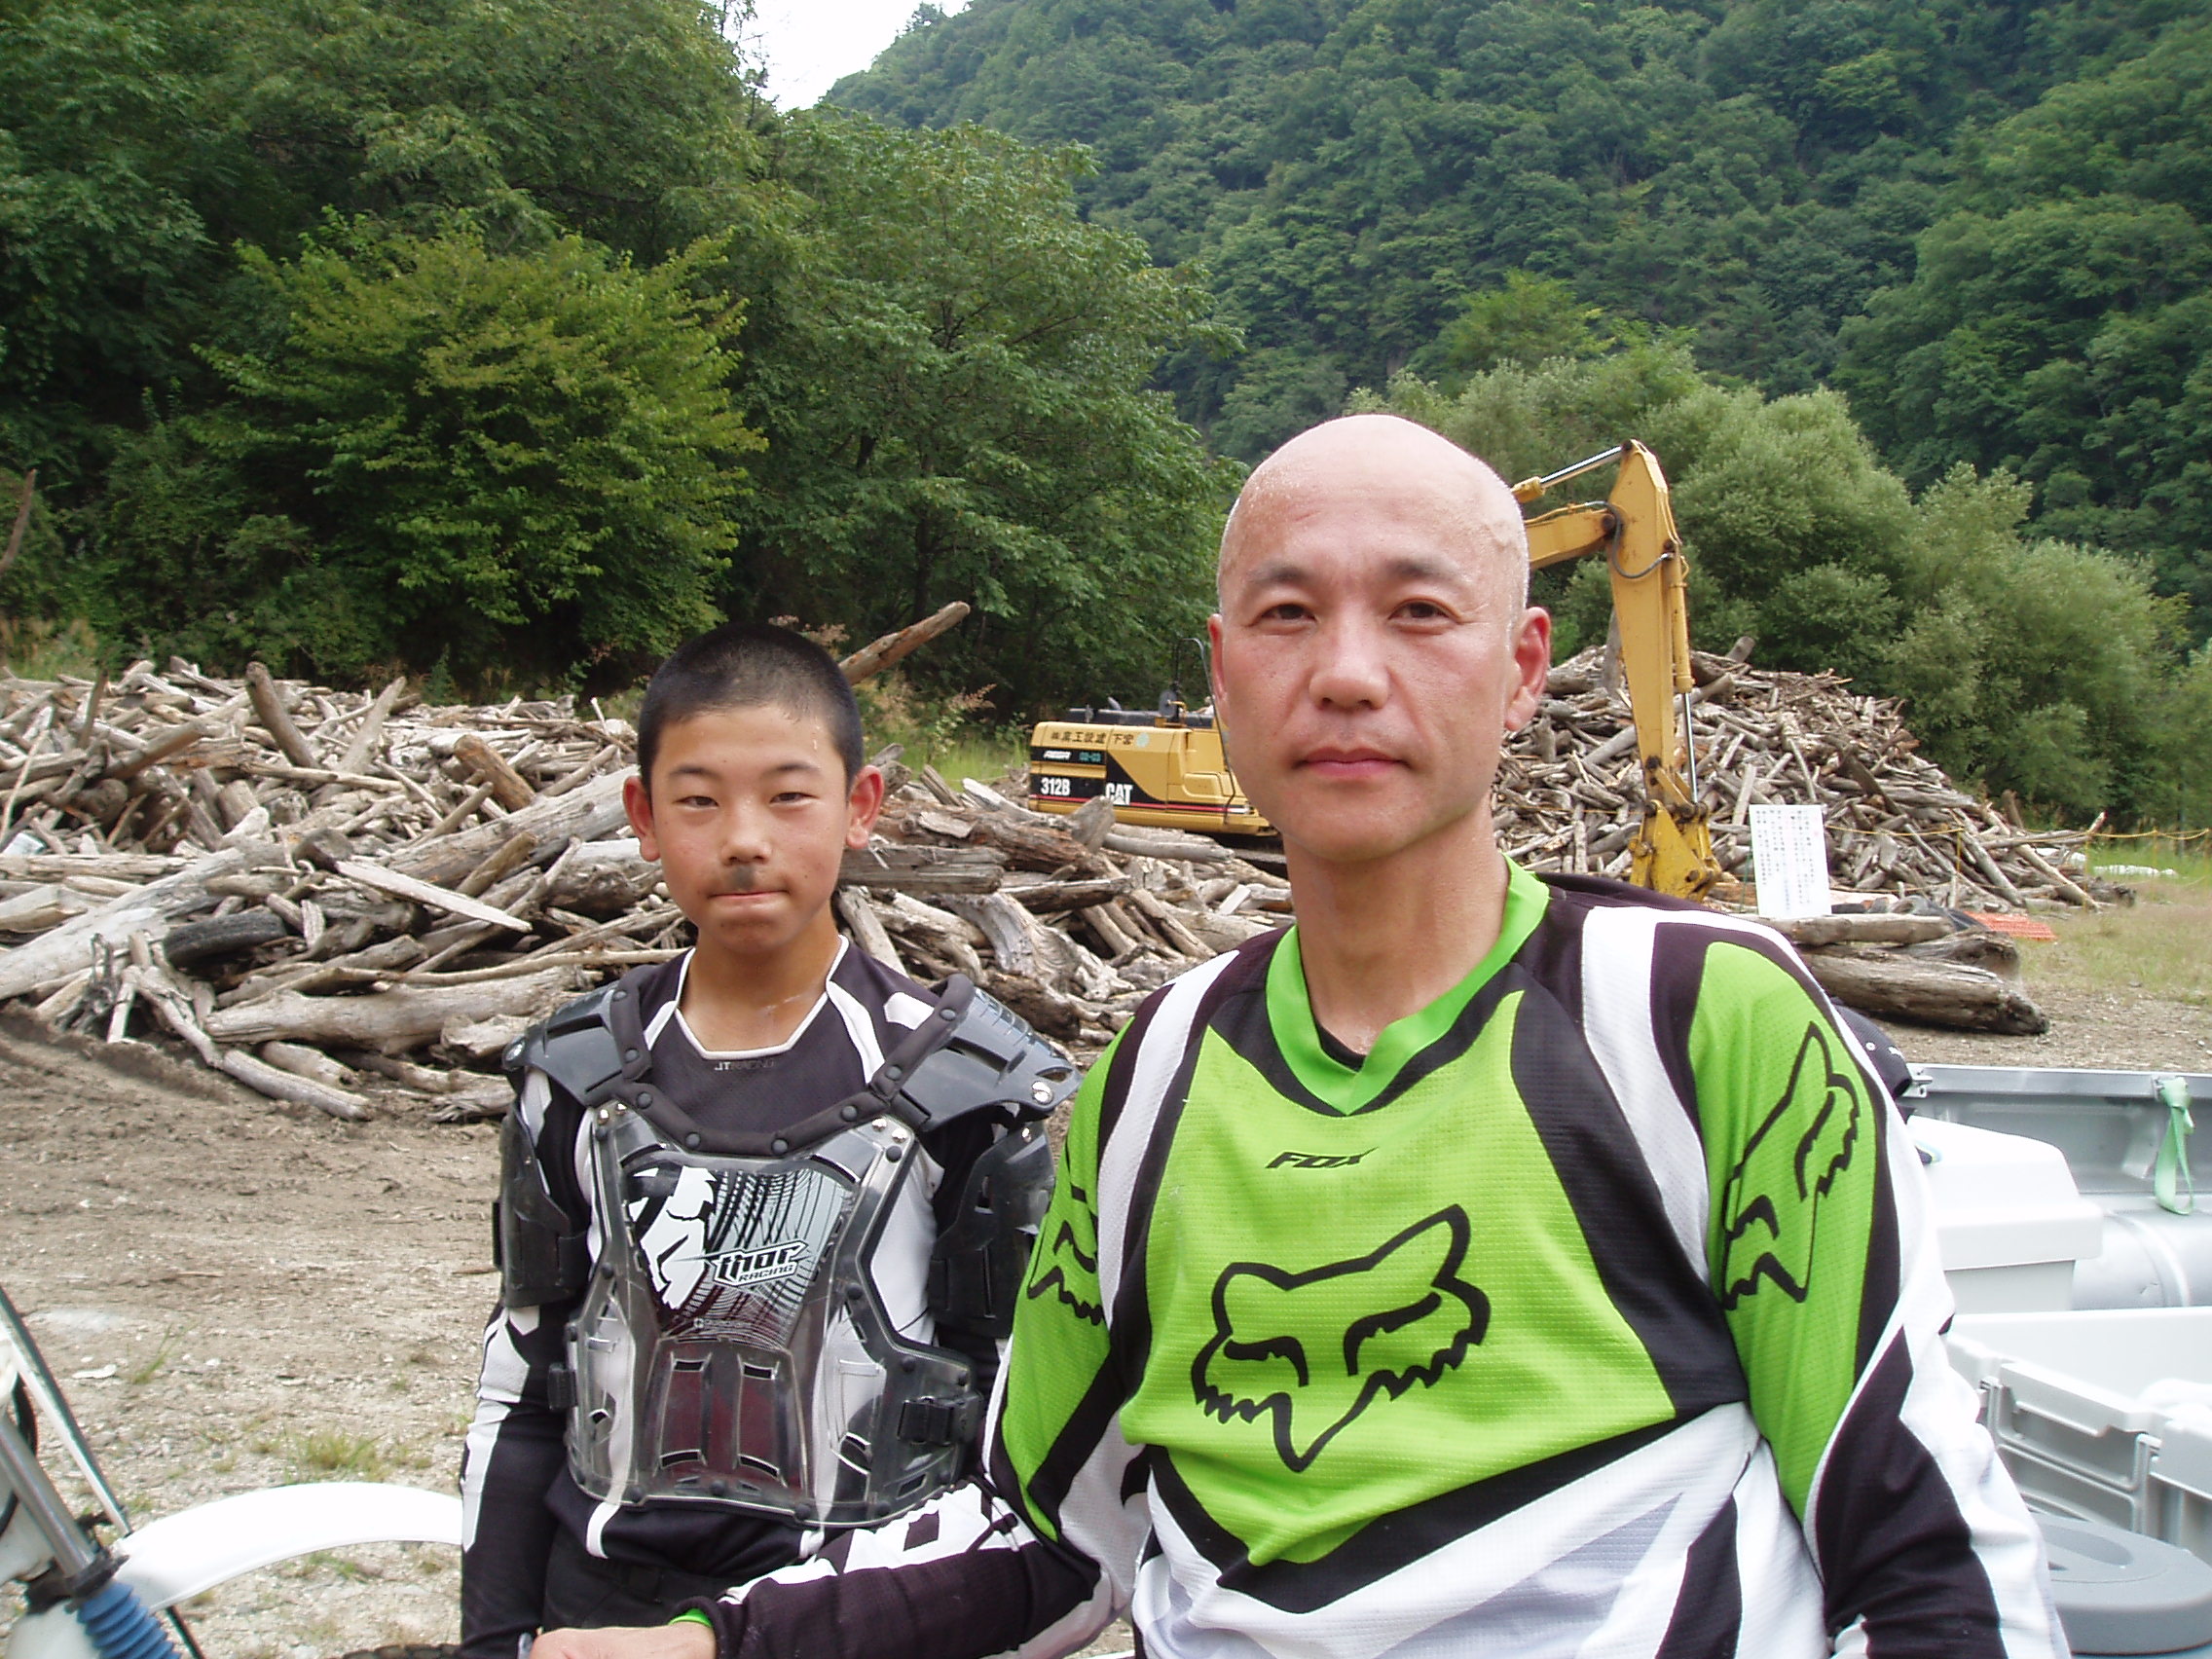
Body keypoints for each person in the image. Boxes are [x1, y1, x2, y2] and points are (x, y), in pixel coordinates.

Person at [533, 419, 2065, 1659]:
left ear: (1525, 667)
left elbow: (1930, 1554)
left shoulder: (1701, 1024)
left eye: (1419, 611)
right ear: (1222, 674)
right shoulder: (1152, 1082)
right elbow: (1049, 1535)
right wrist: (712, 1643)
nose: (1345, 670)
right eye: (1287, 615)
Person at [459, 621, 1077, 1658]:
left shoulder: (965, 1086)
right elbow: (520, 1389)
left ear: (860, 807)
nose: (744, 839)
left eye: (789, 797)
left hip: (854, 1619)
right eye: (699, 801)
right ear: (643, 818)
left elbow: (1012, 1428)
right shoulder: (573, 1077)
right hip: (597, 1611)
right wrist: (498, 1640)